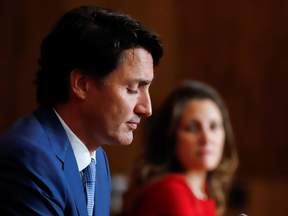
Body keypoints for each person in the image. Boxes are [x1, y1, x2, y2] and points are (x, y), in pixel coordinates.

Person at [0, 5, 163, 216]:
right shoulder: (28, 158)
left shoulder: (96, 158)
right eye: (132, 89)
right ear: (81, 84)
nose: (146, 108)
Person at [121, 81, 238, 216]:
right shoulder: (172, 190)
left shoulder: (203, 191)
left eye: (214, 127)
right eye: (192, 128)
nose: (206, 139)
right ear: (170, 136)